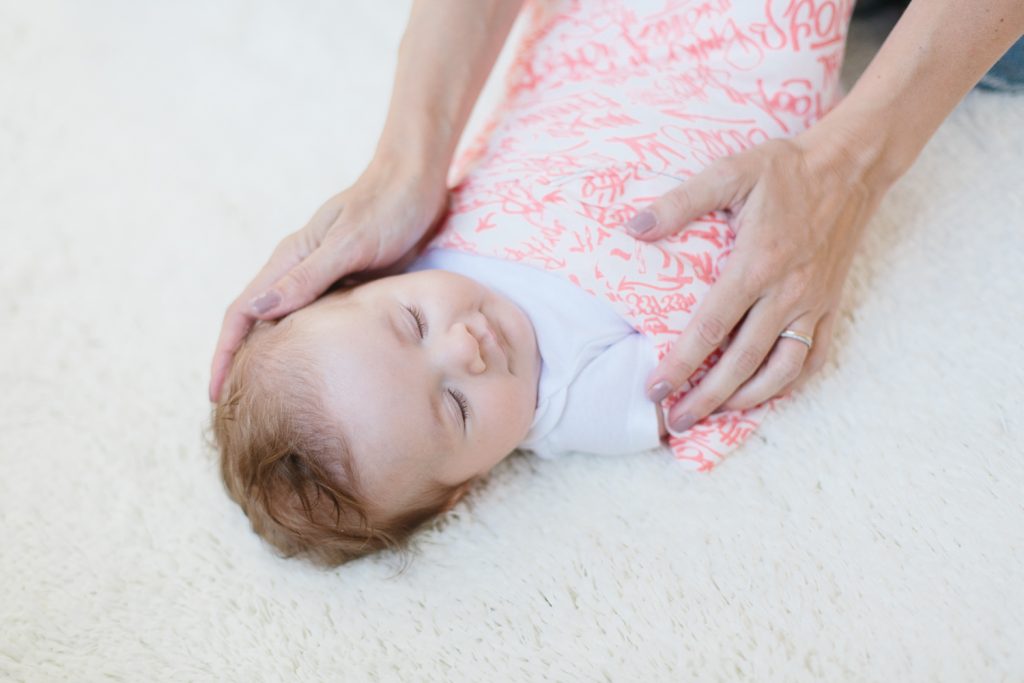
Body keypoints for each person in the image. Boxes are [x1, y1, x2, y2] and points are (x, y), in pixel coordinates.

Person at [209, 0, 1023, 566]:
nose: (466, 344)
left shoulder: (430, 250)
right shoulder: (574, 404)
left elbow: (559, 114)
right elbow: (696, 368)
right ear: (464, 488)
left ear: (367, 283)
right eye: (454, 405)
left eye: (411, 323)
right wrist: (405, 157)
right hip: (726, 81)